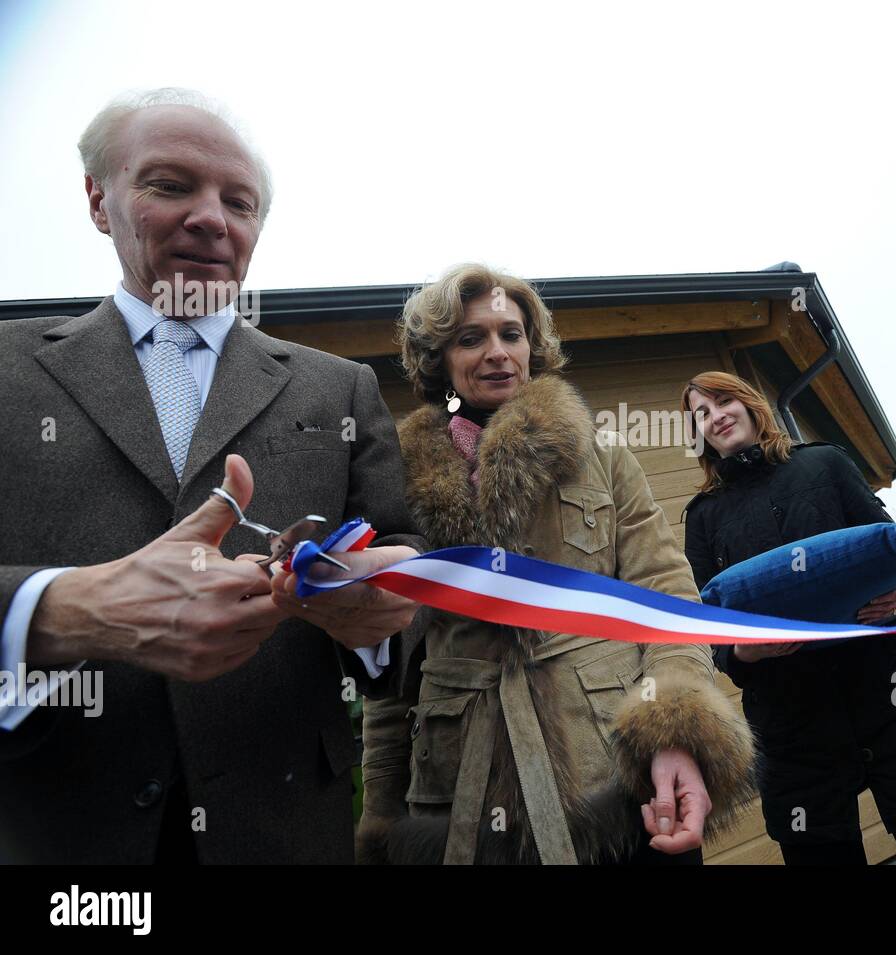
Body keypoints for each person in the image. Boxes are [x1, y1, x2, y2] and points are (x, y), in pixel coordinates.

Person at [0, 89, 425, 863]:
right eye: (170, 185)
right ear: (99, 200)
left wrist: (379, 616)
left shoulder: (340, 389)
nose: (210, 217)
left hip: (285, 828)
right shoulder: (6, 369)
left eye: (240, 201)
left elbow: (404, 569)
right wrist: (57, 609)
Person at [355, 264, 755, 865]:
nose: (497, 353)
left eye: (511, 334)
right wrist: (381, 814)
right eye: (471, 338)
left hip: (612, 771)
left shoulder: (600, 452)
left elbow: (666, 592)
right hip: (461, 792)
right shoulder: (396, 477)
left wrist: (675, 732)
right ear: (438, 358)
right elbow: (392, 659)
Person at [682, 371, 896, 865]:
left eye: (723, 401)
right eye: (701, 413)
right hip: (792, 725)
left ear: (749, 403)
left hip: (893, 696)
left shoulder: (824, 463)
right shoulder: (702, 517)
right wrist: (743, 651)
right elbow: (711, 628)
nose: (716, 416)